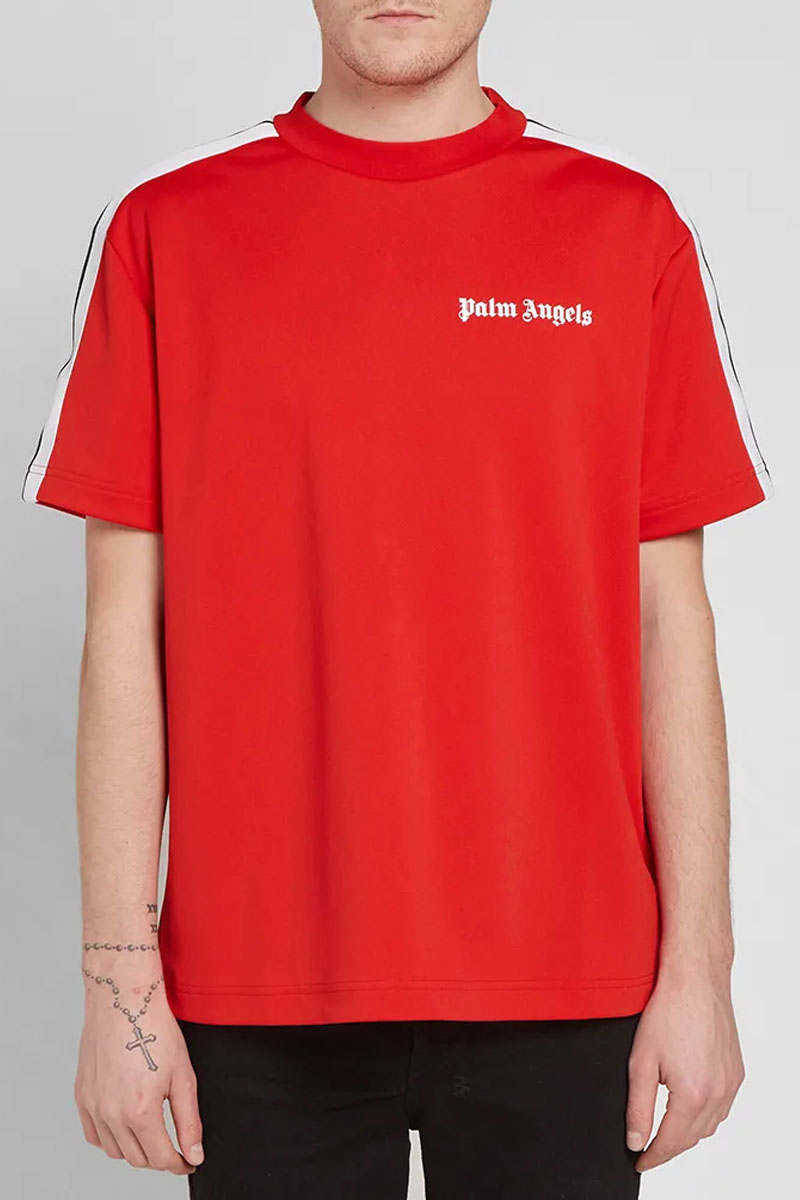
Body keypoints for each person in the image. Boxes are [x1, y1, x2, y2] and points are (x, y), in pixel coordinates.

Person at [22, 1, 772, 1196]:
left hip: (569, 979)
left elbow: (668, 622)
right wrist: (117, 985)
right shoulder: (167, 228)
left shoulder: (628, 227)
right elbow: (122, 633)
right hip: (257, 987)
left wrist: (703, 967)